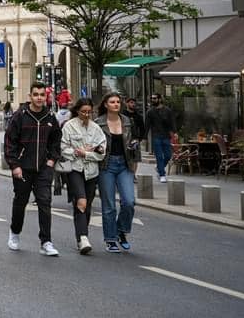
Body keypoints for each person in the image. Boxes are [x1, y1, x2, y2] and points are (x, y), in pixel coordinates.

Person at [4, 82, 62, 256]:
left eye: (42, 95)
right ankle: (15, 232)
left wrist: (52, 159)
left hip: (43, 168)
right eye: (35, 94)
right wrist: (14, 165)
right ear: (30, 96)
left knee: (45, 202)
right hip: (23, 168)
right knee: (20, 201)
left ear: (46, 97)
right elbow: (10, 142)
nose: (39, 98)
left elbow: (56, 140)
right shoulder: (20, 116)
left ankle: (46, 242)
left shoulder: (50, 117)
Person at [57, 98, 104, 254]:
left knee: (87, 205)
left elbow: (101, 152)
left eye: (89, 112)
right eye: (83, 111)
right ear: (77, 111)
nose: (86, 115)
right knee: (81, 202)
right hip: (75, 169)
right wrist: (77, 152)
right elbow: (63, 148)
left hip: (91, 171)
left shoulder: (96, 129)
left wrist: (87, 154)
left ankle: (81, 235)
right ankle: (83, 238)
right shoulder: (69, 126)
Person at [96, 92, 138, 253]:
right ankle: (110, 239)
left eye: (118, 102)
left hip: (124, 164)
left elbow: (134, 141)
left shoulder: (127, 121)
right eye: (112, 102)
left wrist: (134, 164)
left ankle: (121, 231)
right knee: (109, 205)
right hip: (106, 165)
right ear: (105, 104)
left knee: (129, 202)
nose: (116, 104)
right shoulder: (98, 123)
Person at [145, 93, 177, 181]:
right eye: (152, 98)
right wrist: (144, 137)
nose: (153, 100)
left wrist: (175, 132)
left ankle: (159, 167)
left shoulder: (167, 110)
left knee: (168, 155)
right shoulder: (150, 112)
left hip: (166, 136)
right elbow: (147, 125)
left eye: (155, 98)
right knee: (159, 156)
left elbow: (172, 122)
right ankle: (162, 174)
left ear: (159, 99)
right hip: (156, 136)